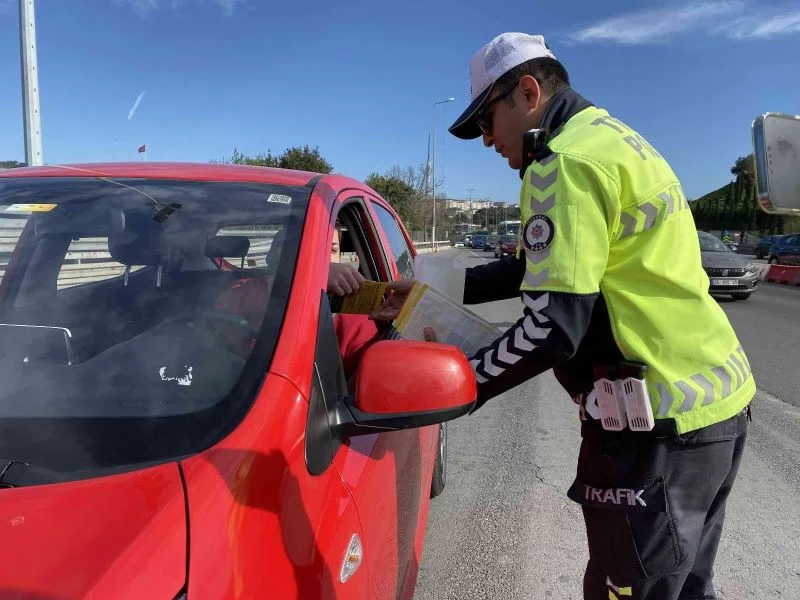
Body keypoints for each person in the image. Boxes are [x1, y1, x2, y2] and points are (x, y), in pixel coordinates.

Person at [375, 32, 753, 600]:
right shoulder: (613, 140)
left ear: (527, 92)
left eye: (485, 121)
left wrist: (458, 386)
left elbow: (551, 329)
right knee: (687, 587)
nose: (485, 141)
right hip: (716, 409)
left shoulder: (561, 164)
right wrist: (426, 287)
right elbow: (538, 267)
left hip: (657, 429)